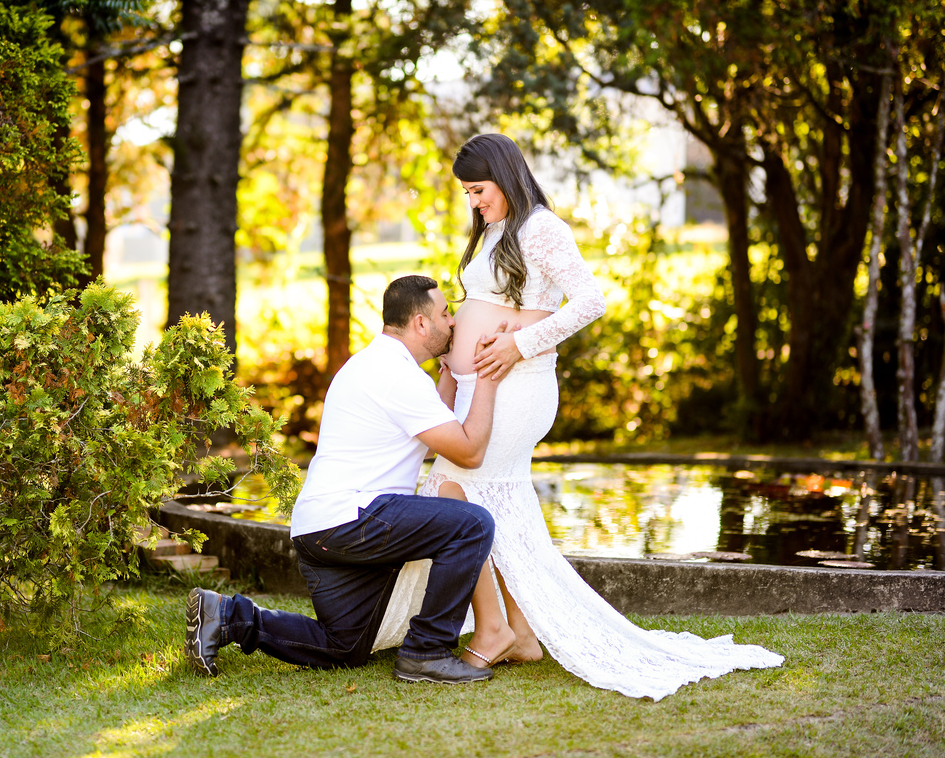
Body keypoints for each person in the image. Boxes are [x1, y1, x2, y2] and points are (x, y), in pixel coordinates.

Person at [372, 133, 784, 701]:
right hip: (481, 383)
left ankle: (496, 632)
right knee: (476, 501)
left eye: (478, 190)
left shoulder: (542, 227)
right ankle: (515, 632)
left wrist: (523, 345)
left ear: (504, 175)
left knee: (455, 491)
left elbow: (591, 301)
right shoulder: (496, 228)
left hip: (516, 387)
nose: (474, 202)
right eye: (467, 193)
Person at [185, 275, 513, 684]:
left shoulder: (377, 364)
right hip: (352, 520)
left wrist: (448, 372)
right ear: (421, 324)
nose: (453, 322)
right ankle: (426, 650)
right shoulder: (398, 376)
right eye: (446, 313)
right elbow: (469, 450)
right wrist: (487, 377)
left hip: (318, 530)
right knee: (472, 524)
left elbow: (432, 442)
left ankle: (228, 615)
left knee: (344, 645)